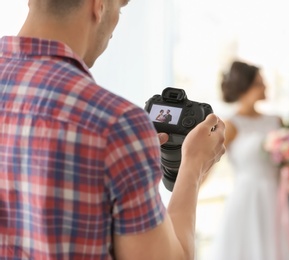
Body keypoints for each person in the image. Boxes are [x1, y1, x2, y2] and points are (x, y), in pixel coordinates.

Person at [0, 1, 225, 259]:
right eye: (120, 7)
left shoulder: (115, 129)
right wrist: (193, 166)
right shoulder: (116, 123)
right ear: (99, 6)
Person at [209, 61, 289, 260]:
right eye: (259, 83)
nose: (266, 86)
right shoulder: (230, 125)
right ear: (245, 87)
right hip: (247, 199)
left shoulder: (276, 120)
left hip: (278, 197)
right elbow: (207, 163)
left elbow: (288, 159)